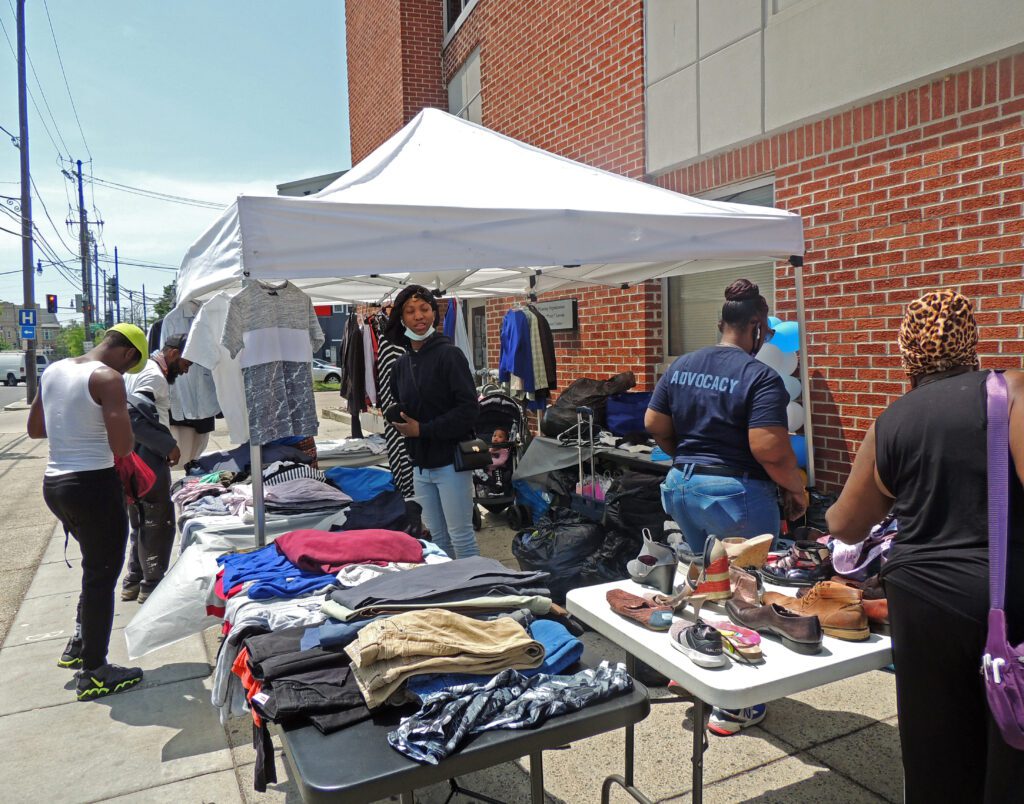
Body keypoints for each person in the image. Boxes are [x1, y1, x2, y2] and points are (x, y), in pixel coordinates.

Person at [826, 289, 1024, 802]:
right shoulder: (1013, 393)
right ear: (971, 344)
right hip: (1005, 597)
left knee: (935, 754)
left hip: (921, 604)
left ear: (907, 354)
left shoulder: (894, 419)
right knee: (1011, 745)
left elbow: (846, 524)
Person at [644, 278, 807, 736]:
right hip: (734, 495)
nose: (767, 340)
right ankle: (738, 705)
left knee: (706, 584)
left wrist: (686, 454)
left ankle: (697, 665)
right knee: (747, 593)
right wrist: (796, 489)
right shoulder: (760, 376)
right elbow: (769, 448)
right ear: (756, 325)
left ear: (722, 323)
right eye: (767, 333)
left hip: (682, 488)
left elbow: (653, 422)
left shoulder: (684, 365)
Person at [27, 323, 149, 701]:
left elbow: (35, 429)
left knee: (94, 566)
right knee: (101, 576)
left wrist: (74, 425)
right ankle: (94, 671)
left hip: (56, 484)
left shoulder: (55, 370)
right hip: (93, 485)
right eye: (132, 367)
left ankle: (79, 644)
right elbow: (123, 444)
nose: (127, 375)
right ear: (128, 354)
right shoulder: (108, 378)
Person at [385, 286, 480, 558]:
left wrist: (422, 429)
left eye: (424, 309)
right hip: (420, 467)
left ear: (434, 313)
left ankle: (477, 593)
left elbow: (469, 410)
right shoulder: (400, 365)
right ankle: (449, 595)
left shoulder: (449, 355)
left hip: (451, 463)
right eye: (411, 311)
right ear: (401, 319)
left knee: (461, 537)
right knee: (436, 539)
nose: (419, 316)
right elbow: (405, 404)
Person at [120, 333, 192, 604]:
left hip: (132, 456)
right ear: (173, 353)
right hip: (147, 456)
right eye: (187, 361)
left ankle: (133, 581)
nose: (187, 369)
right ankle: (151, 584)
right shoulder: (153, 376)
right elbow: (134, 415)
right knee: (157, 520)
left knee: (140, 521)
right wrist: (168, 445)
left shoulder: (139, 372)